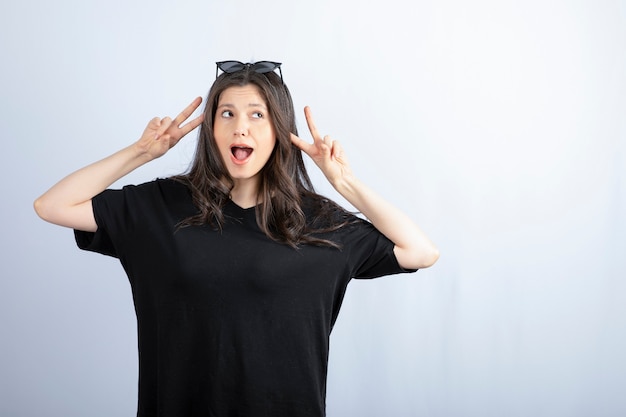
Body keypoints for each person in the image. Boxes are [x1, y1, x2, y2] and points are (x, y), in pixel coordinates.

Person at [34, 60, 439, 417]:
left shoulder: (318, 222)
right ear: (210, 128)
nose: (240, 126)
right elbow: (52, 205)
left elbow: (420, 251)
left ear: (280, 131)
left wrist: (344, 182)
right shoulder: (161, 206)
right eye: (226, 113)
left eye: (256, 115)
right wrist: (142, 152)